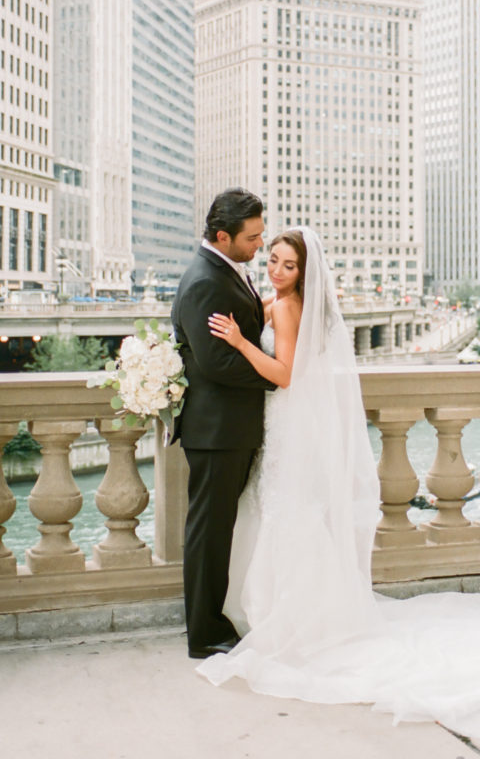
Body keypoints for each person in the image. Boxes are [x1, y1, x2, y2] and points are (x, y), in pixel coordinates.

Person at [198, 227, 480, 744]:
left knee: (288, 514)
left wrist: (240, 341)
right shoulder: (286, 302)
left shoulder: (287, 308)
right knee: (289, 514)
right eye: (273, 260)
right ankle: (295, 612)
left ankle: (292, 620)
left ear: (305, 272)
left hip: (286, 419)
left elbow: (284, 375)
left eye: (288, 265)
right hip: (289, 428)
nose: (277, 271)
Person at [170, 188, 276, 659]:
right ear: (222, 236)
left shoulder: (227, 270)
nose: (260, 244)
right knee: (209, 534)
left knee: (219, 529)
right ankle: (205, 633)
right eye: (252, 237)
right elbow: (216, 364)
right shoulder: (204, 281)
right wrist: (277, 377)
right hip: (216, 432)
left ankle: (214, 620)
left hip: (228, 428)